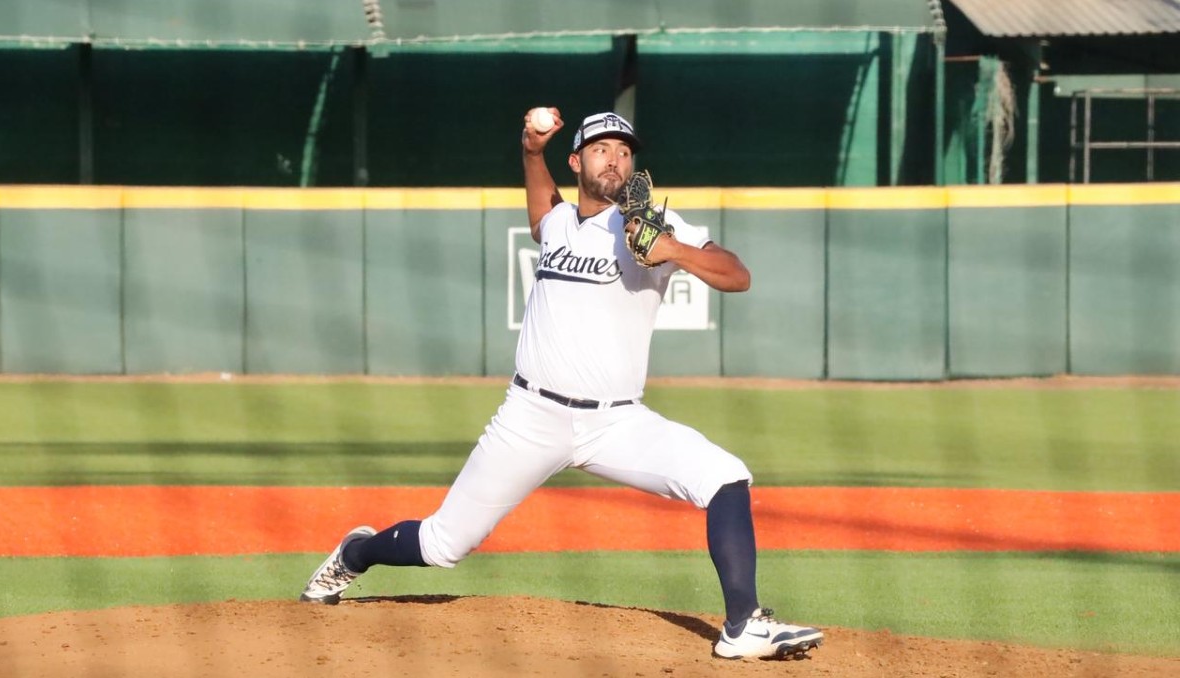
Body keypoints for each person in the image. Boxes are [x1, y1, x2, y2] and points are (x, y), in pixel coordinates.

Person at [299, 108, 824, 660]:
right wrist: (530, 150)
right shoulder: (555, 223)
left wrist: (673, 251)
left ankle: (744, 626)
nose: (615, 158)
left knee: (725, 476)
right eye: (601, 148)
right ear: (577, 160)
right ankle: (356, 555)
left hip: (616, 421)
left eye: (625, 150)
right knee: (442, 544)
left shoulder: (651, 227)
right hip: (529, 417)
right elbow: (540, 205)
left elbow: (737, 276)